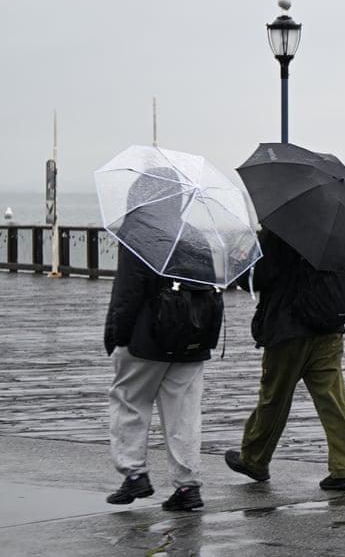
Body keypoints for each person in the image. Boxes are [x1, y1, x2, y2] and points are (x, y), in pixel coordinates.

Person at [104, 171, 222, 511]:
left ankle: (135, 474)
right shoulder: (195, 235)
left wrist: (116, 335)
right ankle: (188, 488)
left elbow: (127, 293)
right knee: (184, 415)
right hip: (192, 341)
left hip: (147, 340)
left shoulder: (138, 233)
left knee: (129, 401)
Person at [224, 228, 345, 491]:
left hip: (289, 328)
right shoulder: (340, 230)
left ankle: (254, 459)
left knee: (274, 395)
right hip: (329, 329)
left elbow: (259, 277)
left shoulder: (281, 230)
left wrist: (240, 260)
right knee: (333, 400)